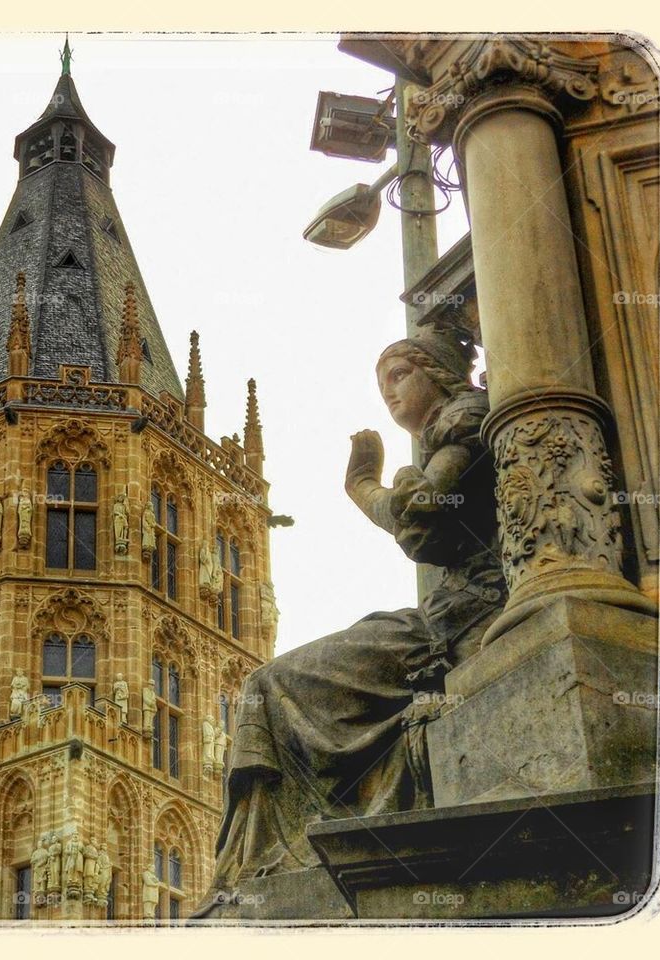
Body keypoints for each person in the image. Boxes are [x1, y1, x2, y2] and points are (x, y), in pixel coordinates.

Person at [194, 327, 505, 913]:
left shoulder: (465, 421)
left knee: (269, 684)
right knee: (267, 685)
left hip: (458, 622)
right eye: (381, 381)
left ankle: (258, 864)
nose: (388, 393)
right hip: (446, 617)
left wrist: (363, 485)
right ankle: (257, 862)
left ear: (435, 373)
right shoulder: (451, 433)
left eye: (397, 375)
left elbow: (422, 522)